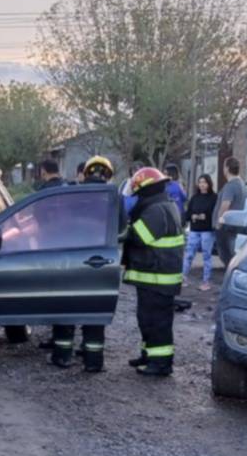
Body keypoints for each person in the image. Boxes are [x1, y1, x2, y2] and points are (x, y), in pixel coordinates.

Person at [49, 154, 116, 373]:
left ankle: (62, 357)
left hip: (69, 260)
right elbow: (122, 231)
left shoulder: (71, 194)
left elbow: (57, 227)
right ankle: (93, 362)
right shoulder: (113, 198)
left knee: (65, 308)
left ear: (85, 173)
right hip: (99, 262)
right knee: (94, 311)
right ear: (107, 175)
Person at [124, 167, 185, 377]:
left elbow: (139, 236)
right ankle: (149, 355)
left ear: (146, 190)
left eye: (139, 193)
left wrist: (122, 229)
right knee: (147, 318)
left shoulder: (157, 210)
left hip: (159, 278)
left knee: (158, 321)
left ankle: (161, 364)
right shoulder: (161, 205)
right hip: (154, 276)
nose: (138, 198)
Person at [182, 174, 219, 290]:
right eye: (200, 182)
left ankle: (206, 282)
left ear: (209, 184)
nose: (202, 185)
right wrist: (192, 216)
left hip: (207, 231)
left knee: (206, 256)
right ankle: (183, 278)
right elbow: (187, 214)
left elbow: (215, 213)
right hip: (194, 230)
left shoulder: (214, 197)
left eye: (204, 182)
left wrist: (205, 217)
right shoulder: (195, 198)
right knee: (189, 254)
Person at [217, 157, 244, 265]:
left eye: (224, 166)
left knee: (226, 255)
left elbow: (225, 205)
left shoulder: (231, 186)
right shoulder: (241, 183)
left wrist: (219, 221)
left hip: (226, 225)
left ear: (227, 168)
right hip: (235, 224)